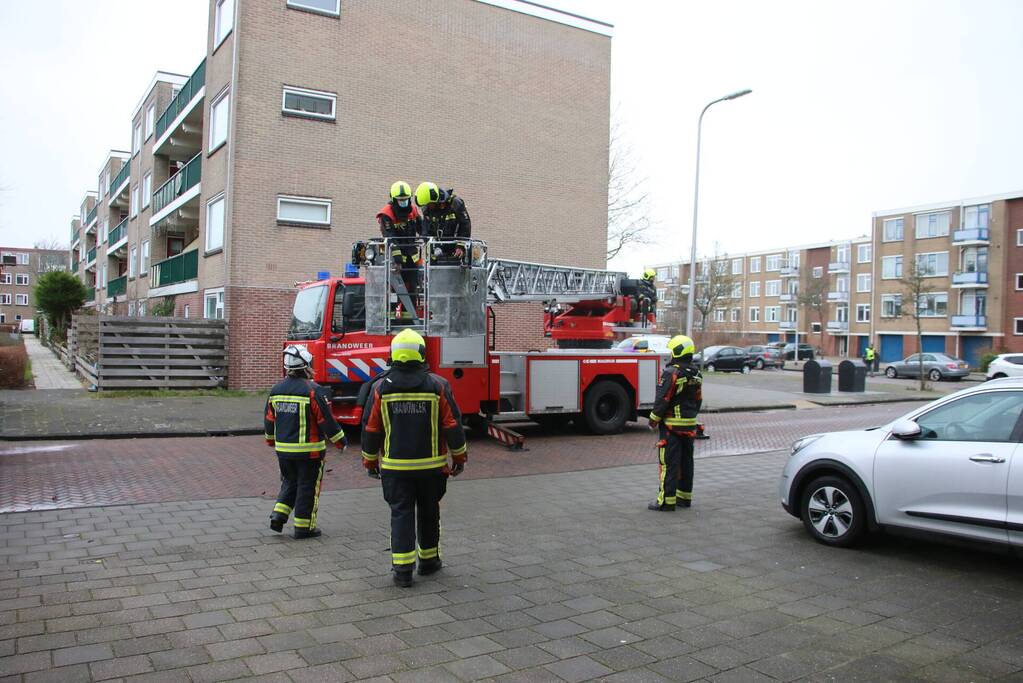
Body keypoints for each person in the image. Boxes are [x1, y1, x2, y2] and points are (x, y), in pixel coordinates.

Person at [361, 329, 468, 587]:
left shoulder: (379, 388)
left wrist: (370, 462)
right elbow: (453, 425)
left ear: (393, 355)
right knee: (430, 512)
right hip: (432, 469)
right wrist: (460, 458)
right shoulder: (438, 386)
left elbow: (371, 429)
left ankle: (402, 571)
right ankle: (429, 562)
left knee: (401, 514)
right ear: (421, 354)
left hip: (395, 470)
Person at [264, 346, 347, 539]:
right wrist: (340, 440)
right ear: (306, 365)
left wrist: (270, 440)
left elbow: (269, 419)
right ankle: (304, 527)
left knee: (290, 482)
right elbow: (325, 420)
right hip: (310, 452)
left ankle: (278, 515)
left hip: (283, 451)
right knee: (307, 487)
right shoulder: (313, 390)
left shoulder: (276, 390)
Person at [647, 335, 702, 511]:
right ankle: (684, 498)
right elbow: (698, 399)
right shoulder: (696, 373)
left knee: (668, 464)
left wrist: (653, 419)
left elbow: (663, 399)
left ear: (677, 352)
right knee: (686, 463)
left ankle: (666, 501)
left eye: (672, 351)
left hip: (671, 427)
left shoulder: (672, 373)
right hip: (689, 425)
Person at [377, 181, 423, 314]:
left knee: (412, 288)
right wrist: (397, 260)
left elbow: (421, 228)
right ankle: (397, 315)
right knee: (397, 289)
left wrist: (428, 236)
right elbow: (390, 237)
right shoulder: (386, 214)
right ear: (393, 199)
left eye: (406, 199)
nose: (403, 202)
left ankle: (411, 315)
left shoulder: (413, 210)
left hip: (412, 258)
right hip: (395, 259)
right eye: (400, 200)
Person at [416, 182, 471, 263]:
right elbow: (425, 229)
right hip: (436, 251)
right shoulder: (427, 209)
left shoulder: (455, 203)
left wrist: (460, 246)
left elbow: (465, 225)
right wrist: (430, 244)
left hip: (455, 250)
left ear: (435, 199)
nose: (427, 207)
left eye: (429, 204)